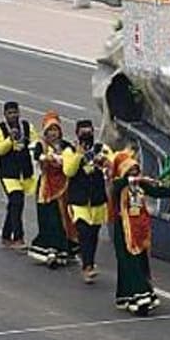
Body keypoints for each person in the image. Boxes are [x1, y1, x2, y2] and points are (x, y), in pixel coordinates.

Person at [111, 149, 170, 315]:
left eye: (136, 170)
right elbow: (120, 184)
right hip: (124, 230)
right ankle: (141, 296)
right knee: (129, 262)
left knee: (138, 261)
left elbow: (156, 192)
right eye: (130, 171)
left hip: (140, 229)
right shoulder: (119, 185)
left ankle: (126, 296)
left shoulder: (140, 186)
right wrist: (137, 179)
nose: (135, 174)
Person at [28, 112, 77, 267]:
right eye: (50, 130)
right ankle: (50, 250)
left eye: (55, 129)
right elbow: (38, 156)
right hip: (46, 189)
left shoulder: (66, 146)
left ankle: (63, 250)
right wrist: (46, 158)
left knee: (64, 219)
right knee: (49, 219)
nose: (53, 133)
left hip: (63, 189)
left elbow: (73, 158)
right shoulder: (41, 146)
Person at [64, 120, 110, 283]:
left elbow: (111, 164)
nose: (86, 135)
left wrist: (104, 162)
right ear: (77, 133)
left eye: (89, 132)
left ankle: (88, 260)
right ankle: (88, 266)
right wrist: (79, 155)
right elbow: (68, 171)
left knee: (93, 234)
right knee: (83, 232)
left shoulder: (100, 149)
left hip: (97, 200)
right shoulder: (69, 150)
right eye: (82, 132)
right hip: (79, 200)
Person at [0, 100, 38, 249]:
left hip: (24, 173)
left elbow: (35, 143)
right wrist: (10, 139)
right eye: (10, 113)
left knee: (14, 205)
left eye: (15, 112)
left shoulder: (26, 126)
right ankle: (18, 237)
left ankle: (6, 235)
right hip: (8, 174)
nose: (13, 115)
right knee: (17, 201)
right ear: (5, 115)